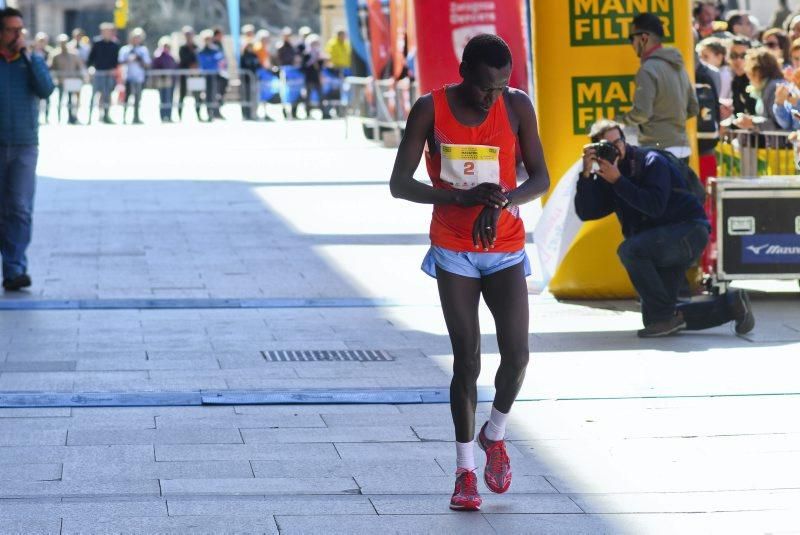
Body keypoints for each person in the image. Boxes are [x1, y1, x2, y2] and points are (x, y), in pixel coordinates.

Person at [390, 34, 550, 511]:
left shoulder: (517, 106)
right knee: (467, 359)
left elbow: (539, 177)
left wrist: (502, 199)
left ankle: (494, 434)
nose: (492, 97)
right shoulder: (429, 108)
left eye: (501, 88)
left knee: (518, 356)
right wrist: (459, 197)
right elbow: (399, 184)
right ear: (464, 72)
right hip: (454, 247)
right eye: (485, 88)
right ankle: (464, 472)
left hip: (504, 246)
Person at [575, 120, 755, 338]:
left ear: (625, 140)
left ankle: (667, 315)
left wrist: (619, 181)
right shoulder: (610, 173)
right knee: (658, 319)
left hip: (687, 232)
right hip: (660, 242)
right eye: (607, 145)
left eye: (618, 141)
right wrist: (585, 174)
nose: (615, 148)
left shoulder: (650, 161)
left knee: (629, 250)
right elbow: (587, 212)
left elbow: (655, 207)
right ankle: (733, 305)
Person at [0, 7, 55, 291]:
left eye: (21, 30)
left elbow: (46, 89)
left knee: (19, 208)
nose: (18, 36)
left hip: (24, 144)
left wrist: (32, 60)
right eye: (12, 30)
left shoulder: (31, 60)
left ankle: (14, 269)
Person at [620, 13, 699, 160]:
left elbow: (642, 114)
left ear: (643, 38)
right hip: (682, 149)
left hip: (658, 151)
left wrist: (618, 121)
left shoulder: (648, 69)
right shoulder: (679, 67)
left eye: (632, 38)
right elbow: (693, 108)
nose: (631, 44)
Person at [733, 48, 787, 132]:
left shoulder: (773, 88)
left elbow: (778, 123)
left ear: (758, 71)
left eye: (749, 71)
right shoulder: (763, 88)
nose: (748, 76)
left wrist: (752, 122)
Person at [87, 22, 120, 124]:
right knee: (94, 94)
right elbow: (91, 58)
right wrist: (90, 68)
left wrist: (114, 69)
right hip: (98, 73)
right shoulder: (97, 43)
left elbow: (116, 60)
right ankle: (90, 116)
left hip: (109, 73)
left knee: (107, 95)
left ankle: (106, 115)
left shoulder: (115, 44)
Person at [49, 33, 84, 124]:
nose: (63, 44)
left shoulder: (73, 54)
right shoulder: (55, 55)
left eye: (64, 42)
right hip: (61, 81)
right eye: (61, 42)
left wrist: (81, 77)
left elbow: (79, 66)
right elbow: (52, 67)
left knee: (70, 100)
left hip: (71, 80)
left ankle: (71, 117)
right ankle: (59, 117)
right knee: (60, 99)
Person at [118, 27, 151, 125]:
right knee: (126, 98)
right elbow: (120, 61)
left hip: (139, 78)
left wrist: (139, 59)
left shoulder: (143, 50)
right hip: (128, 77)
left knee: (138, 98)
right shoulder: (125, 49)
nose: (136, 40)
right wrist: (129, 59)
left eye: (138, 38)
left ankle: (136, 117)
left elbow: (147, 63)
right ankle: (124, 117)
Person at [197, 29, 224, 122]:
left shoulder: (215, 49)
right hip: (203, 75)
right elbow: (203, 62)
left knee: (212, 95)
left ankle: (211, 113)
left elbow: (219, 60)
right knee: (201, 95)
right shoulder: (200, 51)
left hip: (213, 75)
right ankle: (199, 114)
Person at [151, 36, 178, 122]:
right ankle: (163, 116)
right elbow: (155, 66)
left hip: (170, 79)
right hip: (161, 79)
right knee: (163, 98)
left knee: (169, 98)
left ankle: (169, 116)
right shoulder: (158, 55)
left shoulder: (172, 56)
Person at [177, 26, 201, 121]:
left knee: (197, 95)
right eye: (187, 35)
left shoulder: (196, 47)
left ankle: (198, 115)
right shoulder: (182, 48)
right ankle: (179, 115)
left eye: (190, 34)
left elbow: (199, 59)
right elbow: (183, 60)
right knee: (182, 95)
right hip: (185, 74)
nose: (189, 36)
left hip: (194, 75)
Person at [729, 37, 757, 117]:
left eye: (743, 56)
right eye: (734, 55)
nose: (738, 60)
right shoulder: (735, 80)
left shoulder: (757, 80)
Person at [239, 41, 260, 120]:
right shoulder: (243, 56)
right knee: (245, 97)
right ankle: (245, 114)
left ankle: (252, 113)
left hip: (253, 79)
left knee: (253, 97)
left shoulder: (254, 55)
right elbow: (242, 67)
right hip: (246, 80)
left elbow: (257, 65)